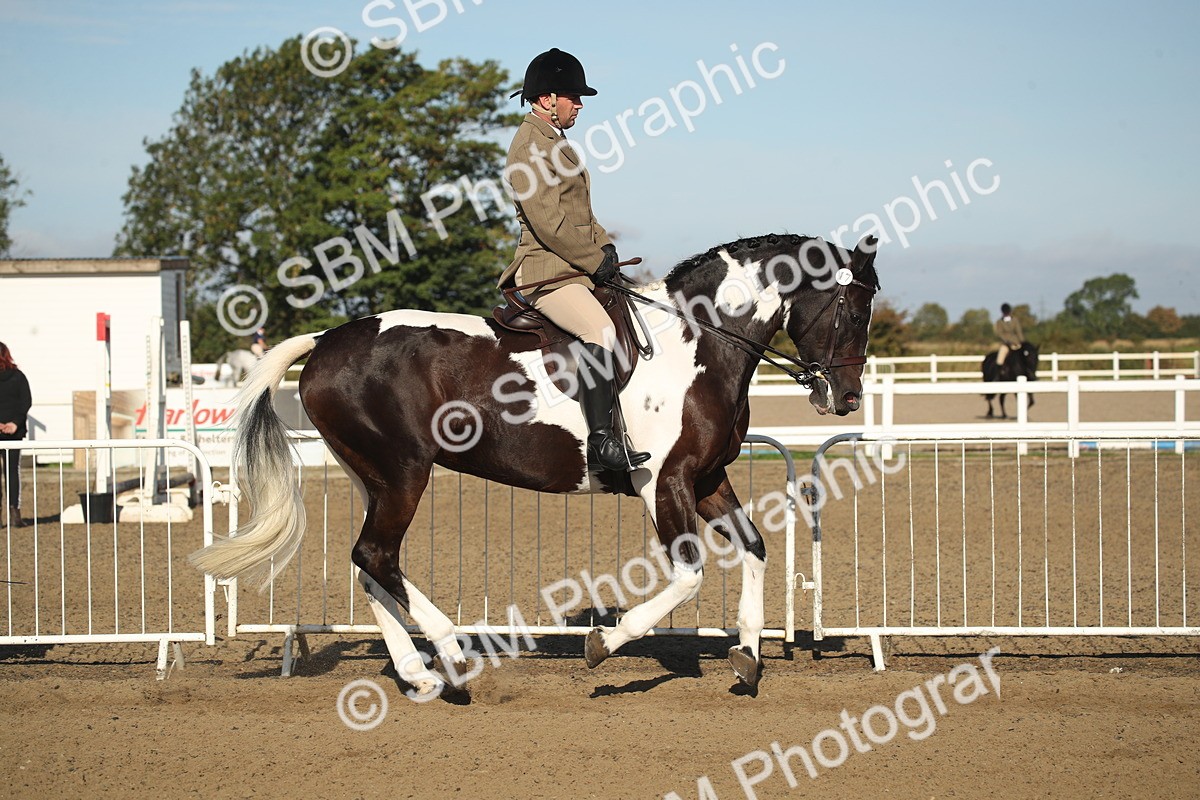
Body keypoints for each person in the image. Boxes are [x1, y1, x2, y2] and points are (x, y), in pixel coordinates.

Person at [499, 48, 649, 472]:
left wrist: (605, 249)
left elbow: (580, 215)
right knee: (600, 330)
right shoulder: (529, 145)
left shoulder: (556, 142)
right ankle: (602, 443)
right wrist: (592, 259)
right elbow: (549, 224)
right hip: (548, 273)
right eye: (573, 97)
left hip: (573, 266)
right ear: (547, 99)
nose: (580, 105)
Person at [0, 342, 32, 528]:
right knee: (13, 472)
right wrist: (14, 423)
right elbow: (26, 401)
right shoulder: (18, 377)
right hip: (14, 433)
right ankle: (15, 514)